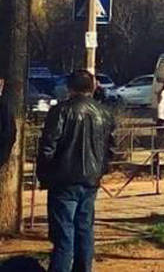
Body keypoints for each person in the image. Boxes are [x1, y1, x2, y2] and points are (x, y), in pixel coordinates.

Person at [37, 69, 116, 272]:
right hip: (90, 180)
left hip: (63, 180)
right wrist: (100, 170)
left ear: (69, 88)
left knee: (64, 234)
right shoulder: (104, 112)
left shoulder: (60, 111)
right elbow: (111, 149)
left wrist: (44, 175)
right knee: (84, 230)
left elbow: (48, 146)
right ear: (93, 87)